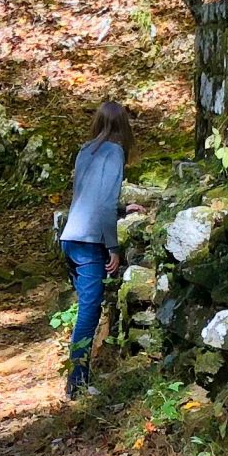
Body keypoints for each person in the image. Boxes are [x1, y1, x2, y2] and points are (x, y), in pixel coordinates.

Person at [58, 100, 130, 395]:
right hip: (90, 242)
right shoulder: (115, 152)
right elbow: (103, 203)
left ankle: (78, 378)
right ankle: (77, 383)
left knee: (85, 309)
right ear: (122, 126)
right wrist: (113, 246)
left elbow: (86, 197)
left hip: (70, 237)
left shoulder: (85, 150)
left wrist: (123, 208)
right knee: (89, 312)